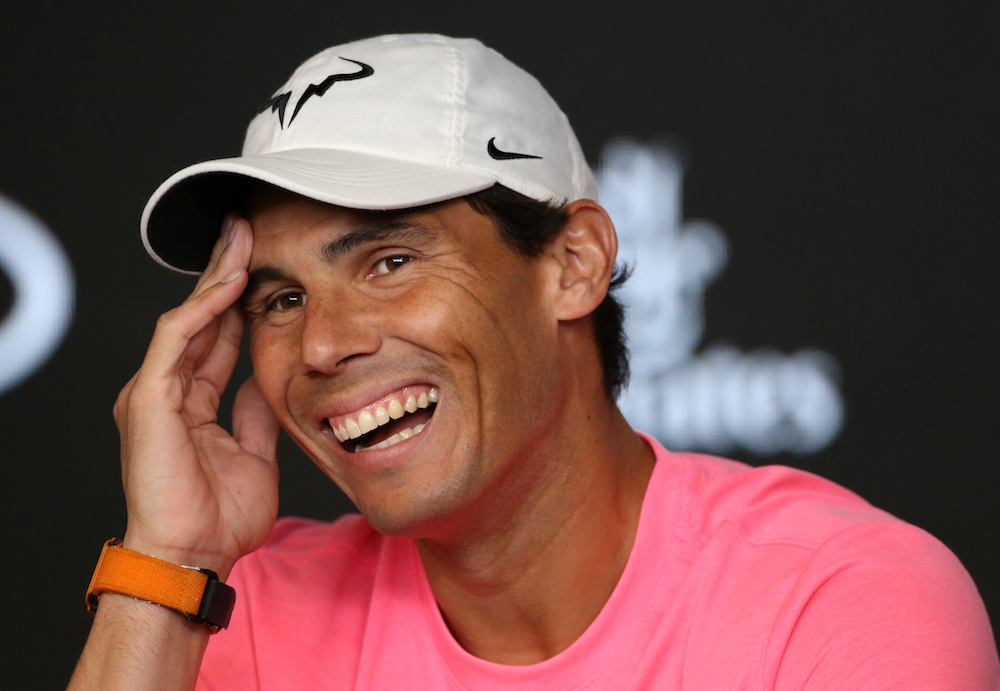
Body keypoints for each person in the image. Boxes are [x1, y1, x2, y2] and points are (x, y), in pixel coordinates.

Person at [70, 33, 998, 690]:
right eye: (280, 299)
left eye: (389, 261)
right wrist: (168, 557)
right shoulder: (236, 611)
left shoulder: (835, 598)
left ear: (572, 264)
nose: (322, 344)